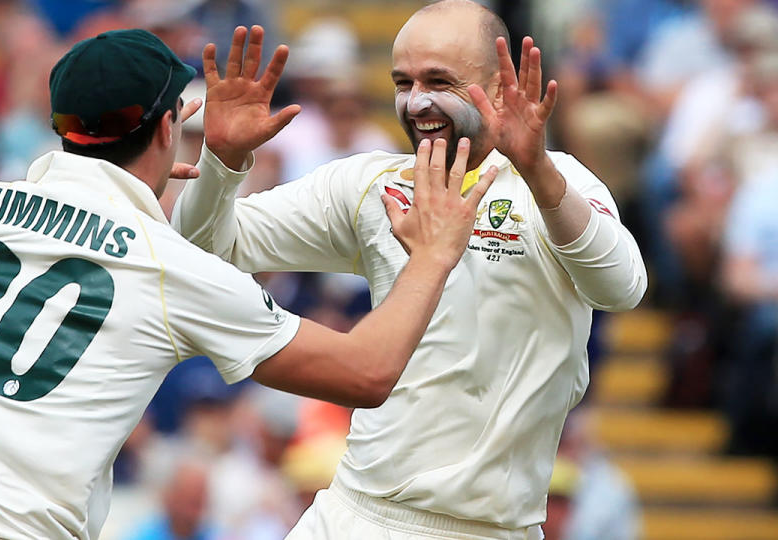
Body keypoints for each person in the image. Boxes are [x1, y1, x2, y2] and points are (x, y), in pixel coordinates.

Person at [0, 28, 495, 540]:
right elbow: (367, 373)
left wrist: (216, 167)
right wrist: (432, 254)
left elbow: (125, 260)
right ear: (167, 129)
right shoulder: (168, 268)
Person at [172, 1, 648, 538]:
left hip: (493, 527)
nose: (418, 101)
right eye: (403, 82)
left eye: (439, 81)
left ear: (498, 88)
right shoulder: (369, 185)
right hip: (357, 513)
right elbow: (203, 247)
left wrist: (537, 169)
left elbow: (622, 287)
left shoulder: (557, 183)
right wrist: (222, 161)